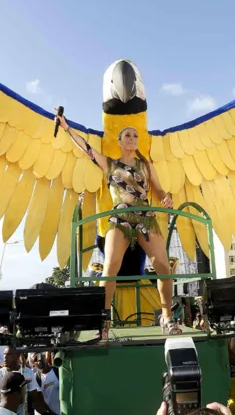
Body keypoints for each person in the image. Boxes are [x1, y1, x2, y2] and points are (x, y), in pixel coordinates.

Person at [53, 113, 179, 335]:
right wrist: (66, 128)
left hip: (145, 217)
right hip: (119, 217)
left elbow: (158, 190)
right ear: (120, 141)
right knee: (110, 266)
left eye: (135, 135)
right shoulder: (110, 164)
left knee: (162, 265)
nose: (132, 138)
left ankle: (167, 317)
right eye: (127, 135)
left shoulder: (146, 166)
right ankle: (104, 321)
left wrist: (165, 197)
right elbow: (87, 149)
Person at [0, 346, 54, 415]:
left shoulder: (28, 373)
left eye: (9, 354)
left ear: (17, 355)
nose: (5, 357)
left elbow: (35, 399)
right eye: (4, 354)